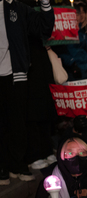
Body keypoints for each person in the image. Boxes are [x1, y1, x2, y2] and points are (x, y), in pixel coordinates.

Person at [0, 0, 54, 185]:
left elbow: (44, 28)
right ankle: (2, 166)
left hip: (16, 73)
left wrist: (45, 3)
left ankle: (16, 164)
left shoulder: (17, 8)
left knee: (17, 122)